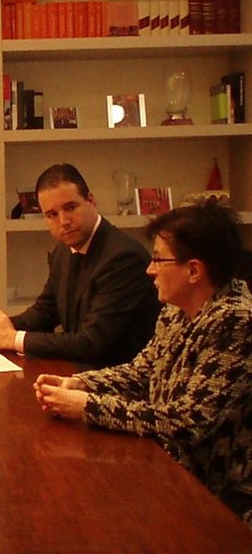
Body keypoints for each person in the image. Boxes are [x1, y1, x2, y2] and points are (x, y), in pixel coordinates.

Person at [34, 201, 252, 526]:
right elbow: (142, 372)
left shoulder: (235, 322)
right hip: (164, 466)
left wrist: (88, 406)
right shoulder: (177, 309)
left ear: (193, 271)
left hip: (210, 495)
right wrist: (82, 383)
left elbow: (187, 421)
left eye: (158, 259)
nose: (149, 269)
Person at [0, 163, 159, 368]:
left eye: (70, 207)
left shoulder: (123, 257)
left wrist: (12, 338)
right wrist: (1, 326)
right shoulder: (63, 251)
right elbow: (45, 312)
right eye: (52, 214)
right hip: (81, 372)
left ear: (91, 201)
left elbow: (91, 343)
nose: (63, 221)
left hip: (120, 377)